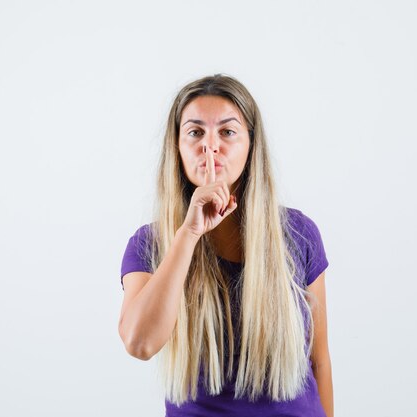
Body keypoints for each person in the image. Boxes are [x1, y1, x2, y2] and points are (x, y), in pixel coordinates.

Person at [118, 74, 333, 417]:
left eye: (227, 132)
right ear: (177, 146)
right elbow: (140, 343)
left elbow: (318, 361)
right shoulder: (151, 244)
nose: (210, 145)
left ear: (251, 143)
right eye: (195, 132)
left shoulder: (298, 233)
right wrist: (188, 233)